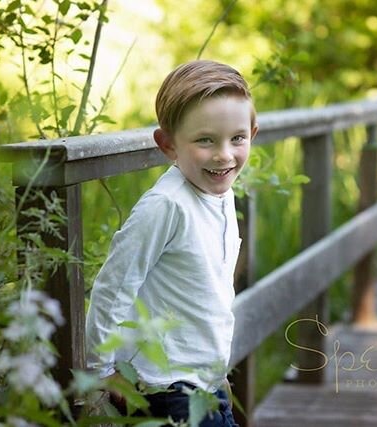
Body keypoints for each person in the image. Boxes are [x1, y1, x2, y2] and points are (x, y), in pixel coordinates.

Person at [85, 59, 258, 426]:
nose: (224, 154)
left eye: (237, 138)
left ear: (252, 133)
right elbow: (113, 287)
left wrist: (214, 371)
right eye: (204, 140)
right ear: (168, 144)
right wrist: (100, 370)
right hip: (167, 389)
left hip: (203, 382)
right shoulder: (166, 206)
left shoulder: (219, 190)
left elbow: (206, 293)